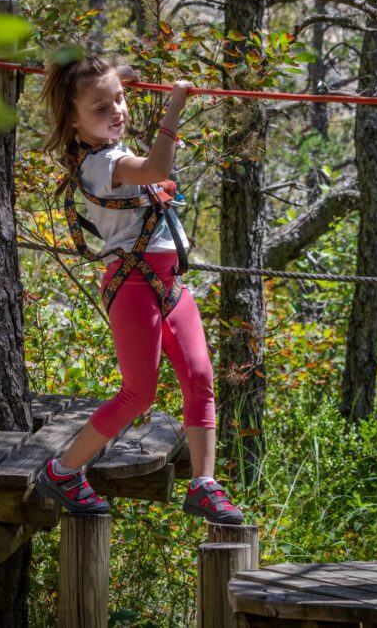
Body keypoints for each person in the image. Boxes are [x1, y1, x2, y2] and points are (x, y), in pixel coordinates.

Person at [34, 55, 243, 525]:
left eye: (121, 100)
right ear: (74, 120)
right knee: (139, 393)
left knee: (200, 378)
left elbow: (106, 94)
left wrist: (115, 80)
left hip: (168, 282)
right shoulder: (102, 163)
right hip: (133, 283)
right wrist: (175, 106)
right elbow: (155, 167)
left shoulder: (107, 144)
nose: (118, 112)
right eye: (101, 108)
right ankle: (64, 470)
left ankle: (204, 484)